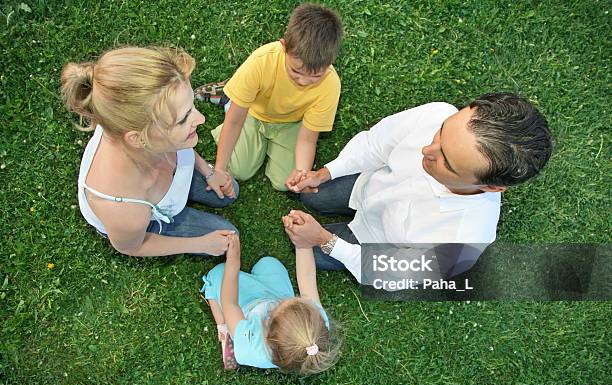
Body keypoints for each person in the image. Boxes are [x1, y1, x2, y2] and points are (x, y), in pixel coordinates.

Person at [284, 93, 553, 282]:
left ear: (491, 187)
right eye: (442, 132)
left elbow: (389, 272)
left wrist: (324, 240)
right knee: (310, 199)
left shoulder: (464, 244)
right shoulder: (438, 113)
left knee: (306, 248)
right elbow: (374, 145)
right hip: (366, 186)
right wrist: (325, 173)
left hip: (375, 244)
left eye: (447, 162)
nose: (426, 150)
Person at [61, 46, 239, 257]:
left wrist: (208, 172)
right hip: (148, 215)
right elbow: (132, 246)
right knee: (230, 237)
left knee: (231, 191)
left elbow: (182, 145)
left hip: (163, 173)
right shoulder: (123, 209)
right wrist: (201, 244)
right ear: (138, 138)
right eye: (183, 119)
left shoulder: (152, 133)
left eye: (191, 106)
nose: (201, 119)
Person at [196, 3, 343, 192]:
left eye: (316, 76)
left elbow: (307, 138)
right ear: (283, 46)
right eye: (296, 71)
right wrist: (219, 169)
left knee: (284, 183)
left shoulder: (330, 84)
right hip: (254, 112)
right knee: (240, 171)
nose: (304, 81)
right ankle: (230, 97)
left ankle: (236, 92)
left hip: (291, 123)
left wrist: (301, 174)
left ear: (330, 62)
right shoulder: (261, 61)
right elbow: (234, 122)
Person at [200, 223, 340, 375]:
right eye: (295, 300)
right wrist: (302, 244)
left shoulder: (250, 341)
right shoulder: (315, 322)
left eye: (281, 304)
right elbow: (307, 277)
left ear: (266, 331)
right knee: (269, 263)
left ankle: (224, 330)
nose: (289, 299)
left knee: (217, 275)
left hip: (244, 307)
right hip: (271, 294)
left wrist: (233, 262)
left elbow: (230, 302)